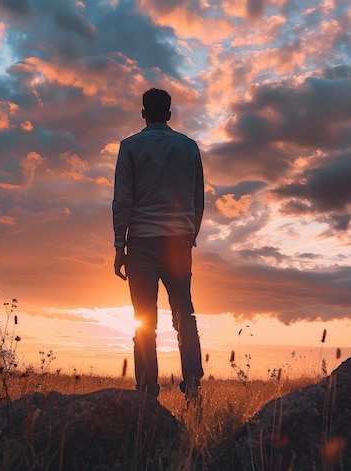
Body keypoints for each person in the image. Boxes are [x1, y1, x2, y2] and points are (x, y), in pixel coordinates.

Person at [112, 88, 205, 399]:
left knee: (144, 319)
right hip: (178, 242)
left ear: (143, 113)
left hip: (141, 243)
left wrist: (119, 247)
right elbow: (197, 199)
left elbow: (123, 201)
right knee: (184, 313)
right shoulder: (189, 147)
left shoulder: (129, 147)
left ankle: (147, 391)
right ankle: (192, 385)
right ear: (169, 113)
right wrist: (189, 237)